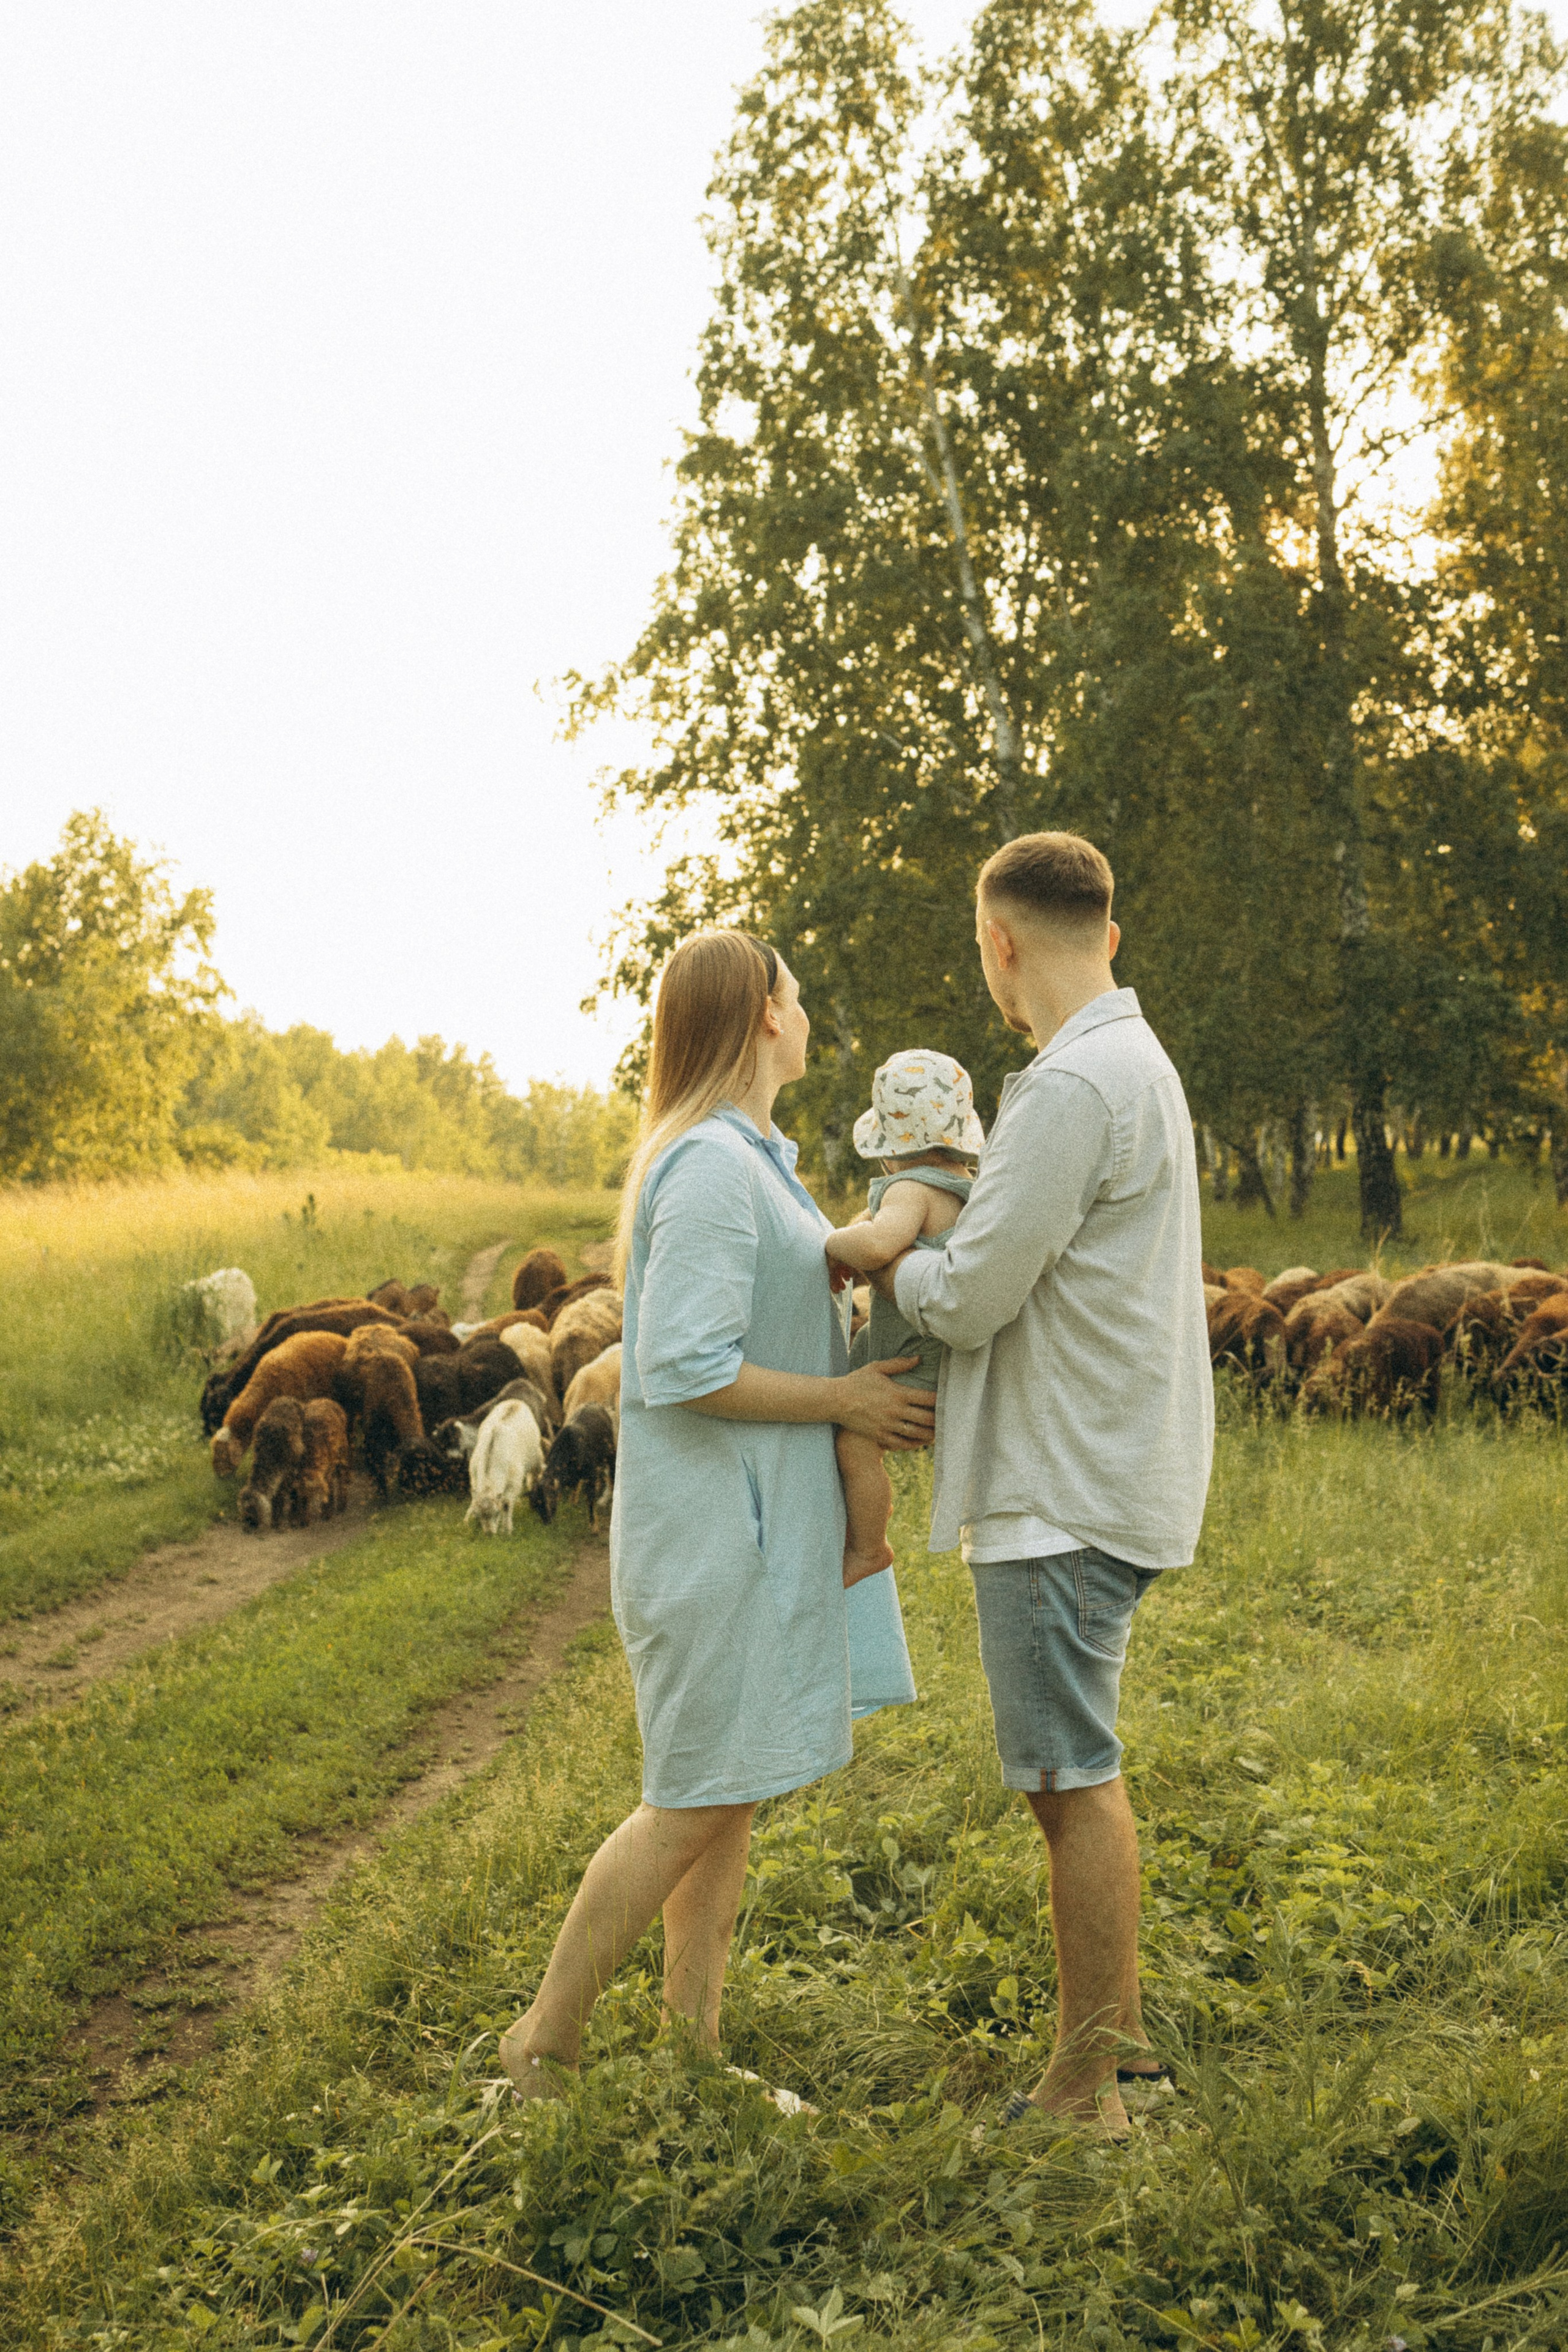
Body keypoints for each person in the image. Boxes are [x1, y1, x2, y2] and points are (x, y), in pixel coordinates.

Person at [499, 929, 926, 2105]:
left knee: (722, 1793)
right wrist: (843, 1395)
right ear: (758, 1020)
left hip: (750, 1533)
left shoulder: (752, 1162)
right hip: (710, 1541)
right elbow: (684, 1365)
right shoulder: (709, 1170)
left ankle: (693, 2054)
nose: (806, 1011)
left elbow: (743, 1317)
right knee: (691, 1795)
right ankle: (541, 2044)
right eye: (793, 995)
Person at [871, 832, 1213, 2138]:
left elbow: (964, 1299)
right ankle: (1105, 2059)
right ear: (1106, 934)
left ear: (996, 943)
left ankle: (1088, 2088)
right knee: (1068, 1774)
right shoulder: (1131, 1062)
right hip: (1097, 1465)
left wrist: (877, 1257)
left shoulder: (1069, 1087)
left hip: (1058, 1484)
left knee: (1068, 1778)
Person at [823, 1050, 984, 1585]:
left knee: (853, 1441)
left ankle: (868, 1547)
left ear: (892, 1150)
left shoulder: (911, 1188)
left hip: (910, 1361)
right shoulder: (966, 1188)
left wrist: (829, 1245)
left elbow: (879, 1242)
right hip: (940, 1357)